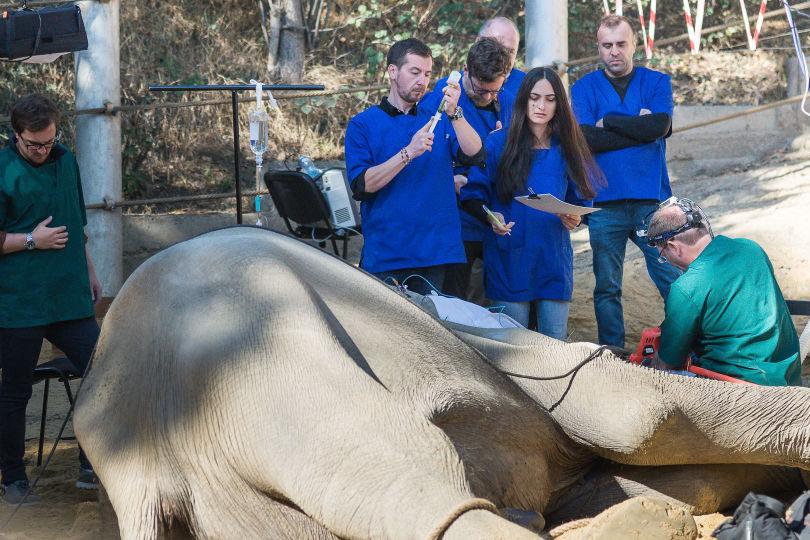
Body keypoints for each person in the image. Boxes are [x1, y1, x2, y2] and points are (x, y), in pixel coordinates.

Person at [0, 94, 102, 504]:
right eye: (33, 145)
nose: (42, 151)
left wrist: (90, 271)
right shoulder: (4, 169)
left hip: (69, 298)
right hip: (19, 301)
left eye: (48, 142)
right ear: (16, 136)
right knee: (15, 390)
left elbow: (77, 222)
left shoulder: (66, 159)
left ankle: (91, 462)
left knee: (102, 371)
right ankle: (13, 478)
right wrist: (31, 240)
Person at [460, 67, 603, 339]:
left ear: (559, 104)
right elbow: (472, 195)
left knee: (554, 346)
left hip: (552, 259)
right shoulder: (498, 143)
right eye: (535, 97)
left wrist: (574, 218)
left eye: (550, 99)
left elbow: (581, 199)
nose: (541, 106)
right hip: (509, 258)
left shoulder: (567, 146)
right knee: (512, 348)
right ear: (523, 99)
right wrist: (491, 218)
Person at [571, 15, 681, 348]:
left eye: (621, 44)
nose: (614, 52)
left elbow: (659, 127)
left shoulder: (656, 82)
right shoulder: (584, 87)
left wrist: (612, 122)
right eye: (607, 45)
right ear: (598, 48)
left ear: (634, 44)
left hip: (651, 201)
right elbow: (588, 139)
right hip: (605, 205)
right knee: (607, 286)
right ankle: (613, 352)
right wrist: (638, 128)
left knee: (670, 279)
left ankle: (681, 345)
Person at [344, 38, 483, 295]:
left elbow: (475, 154)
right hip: (387, 253)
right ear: (393, 72)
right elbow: (362, 186)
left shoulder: (437, 118)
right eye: (415, 72)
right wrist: (409, 152)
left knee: (433, 333)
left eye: (428, 74)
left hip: (436, 253)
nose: (422, 81)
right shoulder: (362, 124)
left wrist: (455, 113)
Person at [642, 198, 801, 386]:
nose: (666, 260)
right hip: (786, 375)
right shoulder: (751, 249)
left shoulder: (686, 287)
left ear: (674, 247)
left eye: (663, 255)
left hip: (737, 386)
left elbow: (667, 365)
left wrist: (649, 366)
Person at [420, 37, 514, 300]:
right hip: (455, 222)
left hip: (497, 213)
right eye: (480, 89)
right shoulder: (438, 100)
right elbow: (426, 157)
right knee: (456, 298)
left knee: (497, 299)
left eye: (494, 90)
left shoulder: (508, 102)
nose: (487, 97)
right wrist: (448, 178)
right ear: (465, 70)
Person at [478, 16, 525, 96]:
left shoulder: (529, 87)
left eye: (510, 51)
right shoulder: (452, 88)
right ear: (478, 43)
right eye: (495, 47)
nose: (502, 57)